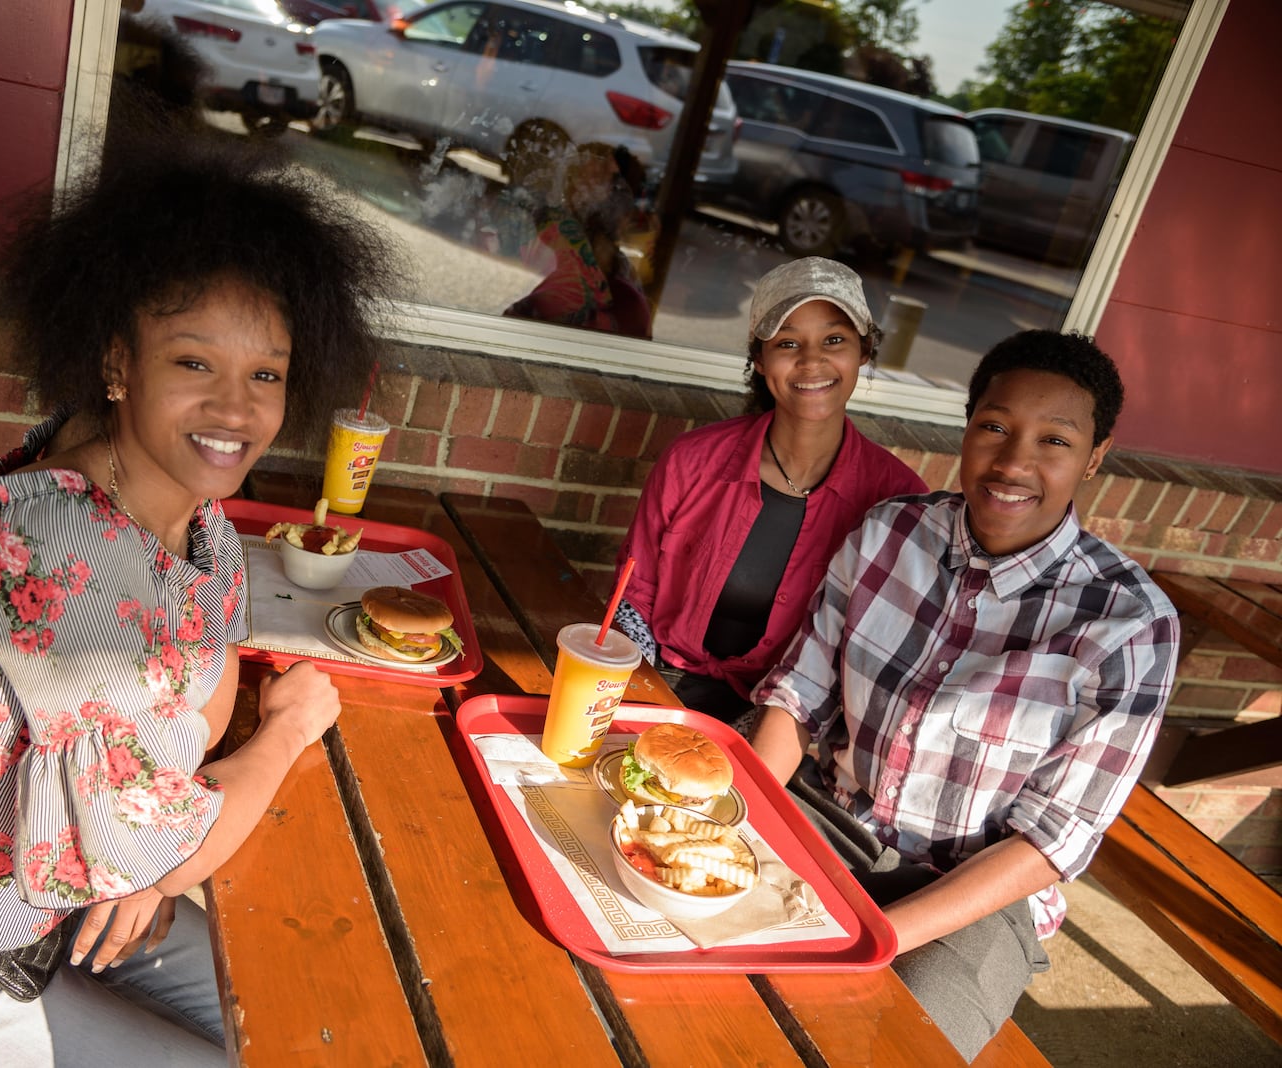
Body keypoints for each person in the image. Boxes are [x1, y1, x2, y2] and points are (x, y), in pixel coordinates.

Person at [0, 131, 398, 1066]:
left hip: (20, 897)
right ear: (117, 363)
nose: (236, 410)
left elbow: (193, 737)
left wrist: (143, 832)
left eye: (266, 374)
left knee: (291, 1010)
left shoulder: (186, 511)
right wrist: (287, 729)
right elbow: (174, 829)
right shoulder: (61, 542)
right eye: (194, 363)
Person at [746, 330, 1180, 1059]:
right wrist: (743, 821)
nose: (1013, 463)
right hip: (831, 822)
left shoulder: (1130, 625)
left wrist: (875, 937)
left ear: (1096, 456)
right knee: (691, 940)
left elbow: (1050, 841)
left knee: (883, 1047)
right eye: (995, 427)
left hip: (976, 899)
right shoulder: (889, 534)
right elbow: (798, 696)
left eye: (1055, 441)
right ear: (968, 424)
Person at [613, 257, 925, 720]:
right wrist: (636, 702)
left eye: (834, 339)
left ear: (864, 351)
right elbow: (633, 594)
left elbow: (875, 650)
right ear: (759, 360)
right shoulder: (693, 459)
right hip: (661, 675)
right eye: (788, 342)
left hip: (787, 713)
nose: (812, 360)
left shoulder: (898, 501)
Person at [499, 142, 654, 339]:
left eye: (579, 179)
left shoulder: (590, 290)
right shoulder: (628, 295)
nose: (563, 191)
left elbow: (509, 334)